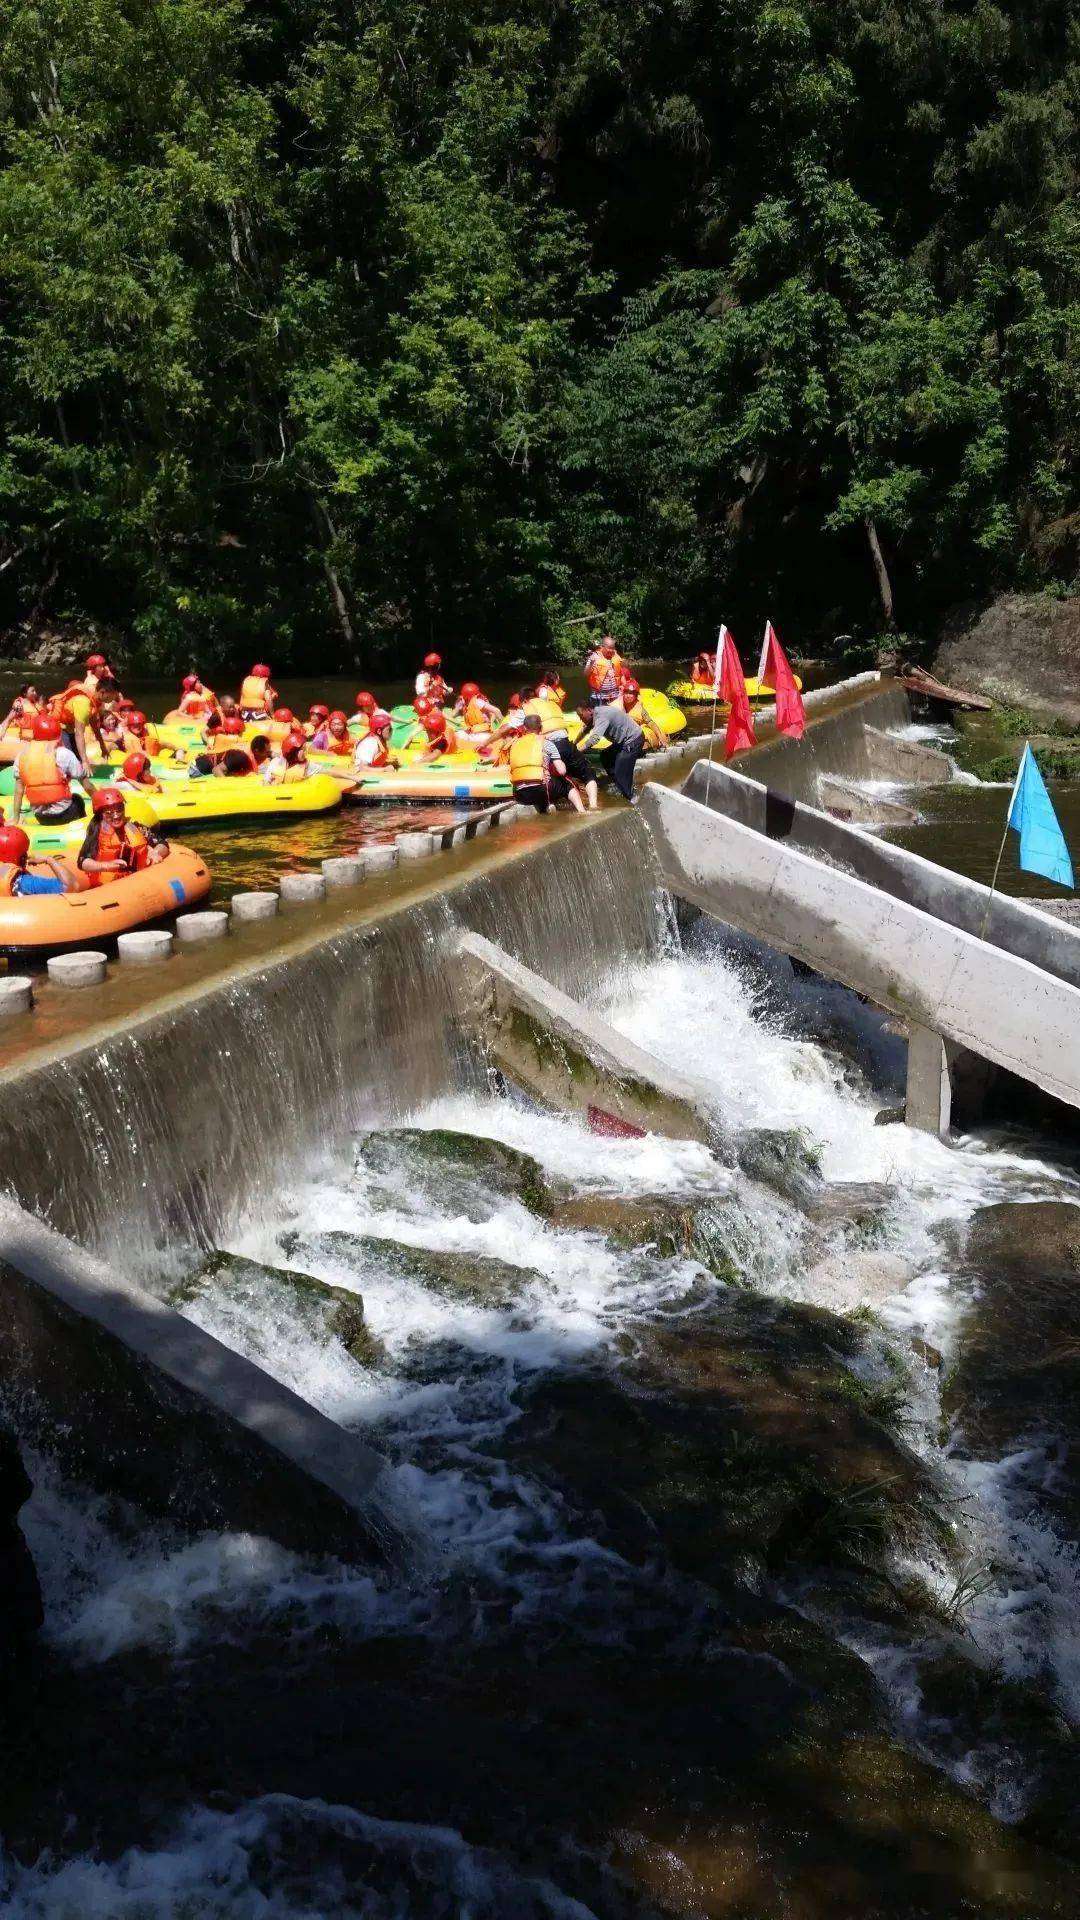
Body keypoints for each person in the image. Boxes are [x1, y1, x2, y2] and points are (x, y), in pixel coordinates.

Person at [11, 715, 97, 825]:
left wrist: (16, 818)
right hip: (64, 814)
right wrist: (102, 804)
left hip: (40, 817)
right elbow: (87, 786)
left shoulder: (22, 755)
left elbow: (19, 790)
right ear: (58, 732)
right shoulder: (64, 753)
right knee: (77, 799)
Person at [77, 787, 167, 884]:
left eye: (119, 810)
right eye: (109, 813)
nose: (116, 816)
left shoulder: (136, 827)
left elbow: (162, 843)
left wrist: (155, 852)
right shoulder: (96, 832)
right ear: (100, 815)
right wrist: (106, 865)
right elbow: (82, 861)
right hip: (110, 885)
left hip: (138, 880)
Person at [508, 714, 584, 815]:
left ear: (524, 728)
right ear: (541, 727)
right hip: (542, 790)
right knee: (567, 782)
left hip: (521, 794)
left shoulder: (514, 744)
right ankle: (582, 812)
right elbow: (562, 771)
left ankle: (546, 806)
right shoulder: (547, 744)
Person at [575, 699, 644, 801]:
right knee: (605, 756)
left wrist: (578, 751)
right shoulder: (593, 716)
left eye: (581, 716)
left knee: (620, 771)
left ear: (589, 710)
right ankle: (618, 784)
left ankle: (631, 799)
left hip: (633, 740)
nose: (581, 719)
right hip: (622, 742)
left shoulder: (602, 716)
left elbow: (594, 739)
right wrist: (574, 743)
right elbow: (584, 730)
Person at [0, 823, 82, 897]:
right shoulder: (23, 882)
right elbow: (72, 886)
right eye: (25, 852)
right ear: (21, 857)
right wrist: (48, 859)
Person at [46, 677, 102, 770]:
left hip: (70, 730)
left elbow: (94, 726)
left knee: (76, 756)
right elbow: (79, 734)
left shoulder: (86, 703)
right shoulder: (73, 701)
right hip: (60, 730)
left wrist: (102, 746)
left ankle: (80, 770)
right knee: (69, 756)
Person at [621, 679, 668, 751]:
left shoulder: (640, 709)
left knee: (643, 736)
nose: (627, 696)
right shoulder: (616, 706)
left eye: (631, 693)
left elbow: (650, 722)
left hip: (634, 734)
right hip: (620, 734)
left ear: (636, 695)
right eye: (626, 692)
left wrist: (660, 737)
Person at [584, 633, 624, 708]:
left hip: (615, 695)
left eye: (613, 648)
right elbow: (586, 674)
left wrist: (624, 687)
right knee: (600, 717)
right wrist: (591, 664)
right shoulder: (594, 657)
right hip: (599, 697)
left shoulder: (616, 657)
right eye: (609, 648)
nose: (611, 650)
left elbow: (621, 674)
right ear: (602, 647)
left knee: (614, 717)